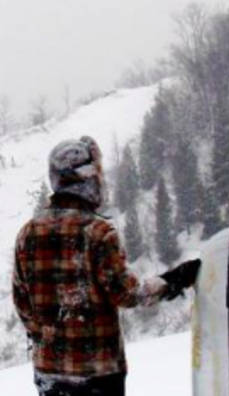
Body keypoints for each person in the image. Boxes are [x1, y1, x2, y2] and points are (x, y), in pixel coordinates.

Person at [12, 135, 201, 396]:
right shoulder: (98, 232)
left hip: (49, 374)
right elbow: (128, 294)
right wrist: (173, 280)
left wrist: (49, 339)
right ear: (87, 178)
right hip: (98, 374)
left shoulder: (27, 234)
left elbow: (22, 304)